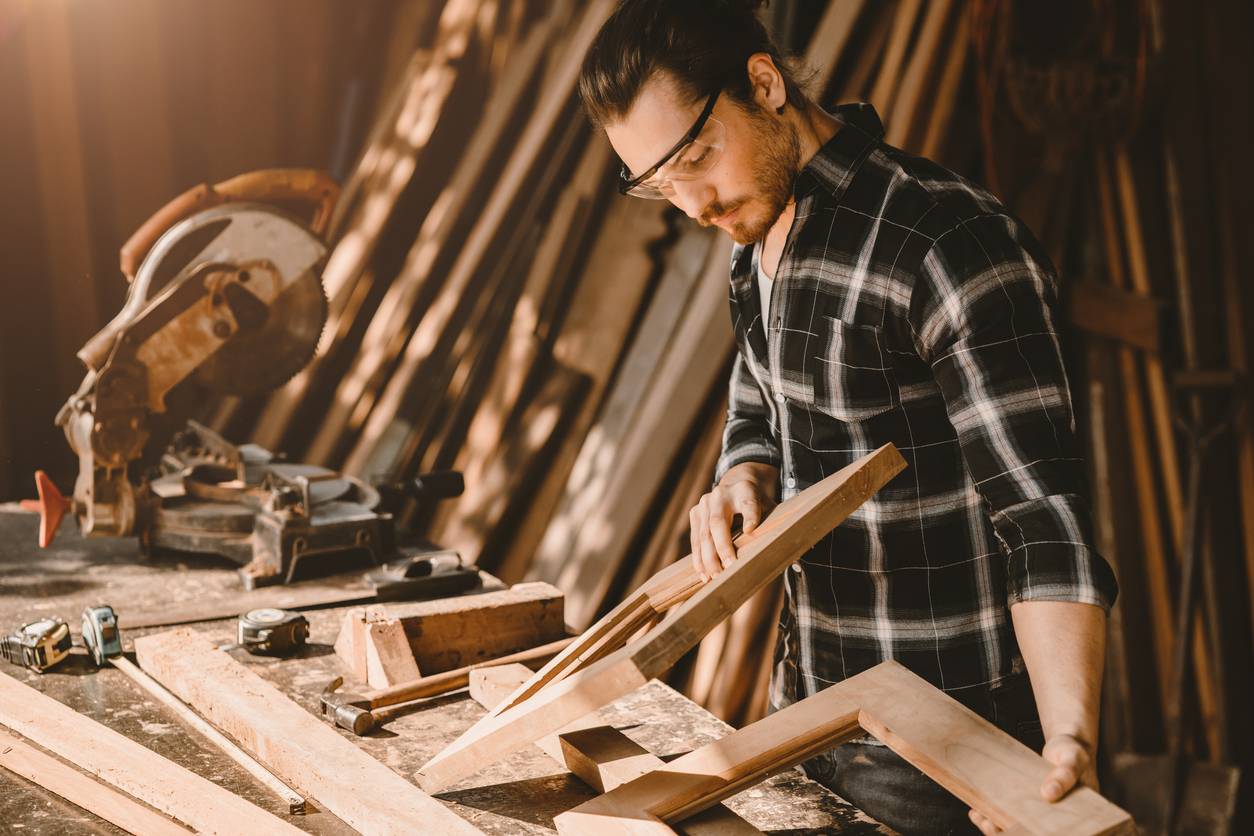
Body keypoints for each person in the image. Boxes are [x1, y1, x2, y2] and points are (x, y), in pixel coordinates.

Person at [577, 2, 1119, 834]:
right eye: (658, 184)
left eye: (696, 158)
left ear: (763, 84)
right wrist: (743, 471)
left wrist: (1066, 738)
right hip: (806, 707)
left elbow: (1040, 514)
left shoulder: (949, 243)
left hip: (949, 736)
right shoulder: (756, 237)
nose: (692, 205)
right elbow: (759, 395)